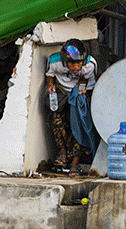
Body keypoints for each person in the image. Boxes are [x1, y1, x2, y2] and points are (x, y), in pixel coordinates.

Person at [45, 38, 97, 175]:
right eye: (71, 64)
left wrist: (80, 89)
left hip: (80, 90)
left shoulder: (90, 64)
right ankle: (62, 152)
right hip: (61, 89)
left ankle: (75, 161)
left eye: (78, 63)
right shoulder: (54, 62)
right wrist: (50, 86)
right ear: (64, 61)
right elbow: (49, 75)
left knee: (79, 122)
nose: (75, 67)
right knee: (55, 118)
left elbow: (84, 78)